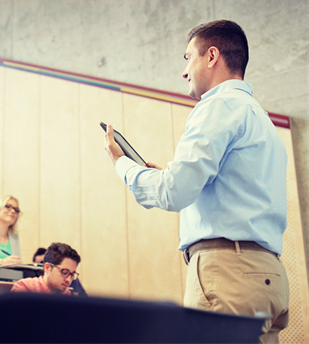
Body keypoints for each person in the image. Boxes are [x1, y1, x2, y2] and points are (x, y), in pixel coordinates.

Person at [103, 20, 289, 343]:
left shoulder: (217, 105)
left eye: (187, 57)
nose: (184, 71)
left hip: (228, 275)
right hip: (267, 276)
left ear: (211, 56)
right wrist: (170, 175)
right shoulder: (260, 119)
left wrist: (122, 165)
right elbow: (228, 190)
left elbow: (173, 191)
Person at [11, 242, 80, 295]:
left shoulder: (67, 294)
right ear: (47, 268)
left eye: (72, 274)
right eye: (64, 272)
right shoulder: (25, 288)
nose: (69, 280)